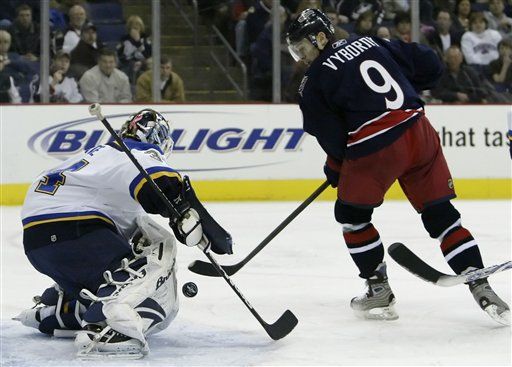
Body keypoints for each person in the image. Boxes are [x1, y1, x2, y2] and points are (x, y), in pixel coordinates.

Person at [285, 8, 510, 325]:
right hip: (419, 130)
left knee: (352, 216)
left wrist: (336, 167)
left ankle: (378, 289)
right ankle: (479, 281)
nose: (301, 58)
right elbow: (430, 65)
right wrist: (409, 82)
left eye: (303, 49)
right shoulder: (370, 42)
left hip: (377, 145)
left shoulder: (313, 82)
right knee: (441, 214)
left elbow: (334, 139)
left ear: (320, 37)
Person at [14, 109, 233, 358]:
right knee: (154, 255)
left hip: (38, 243)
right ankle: (112, 325)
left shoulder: (97, 156)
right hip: (75, 228)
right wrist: (195, 217)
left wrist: (182, 217)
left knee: (120, 261)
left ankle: (64, 308)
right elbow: (162, 182)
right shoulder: (136, 152)